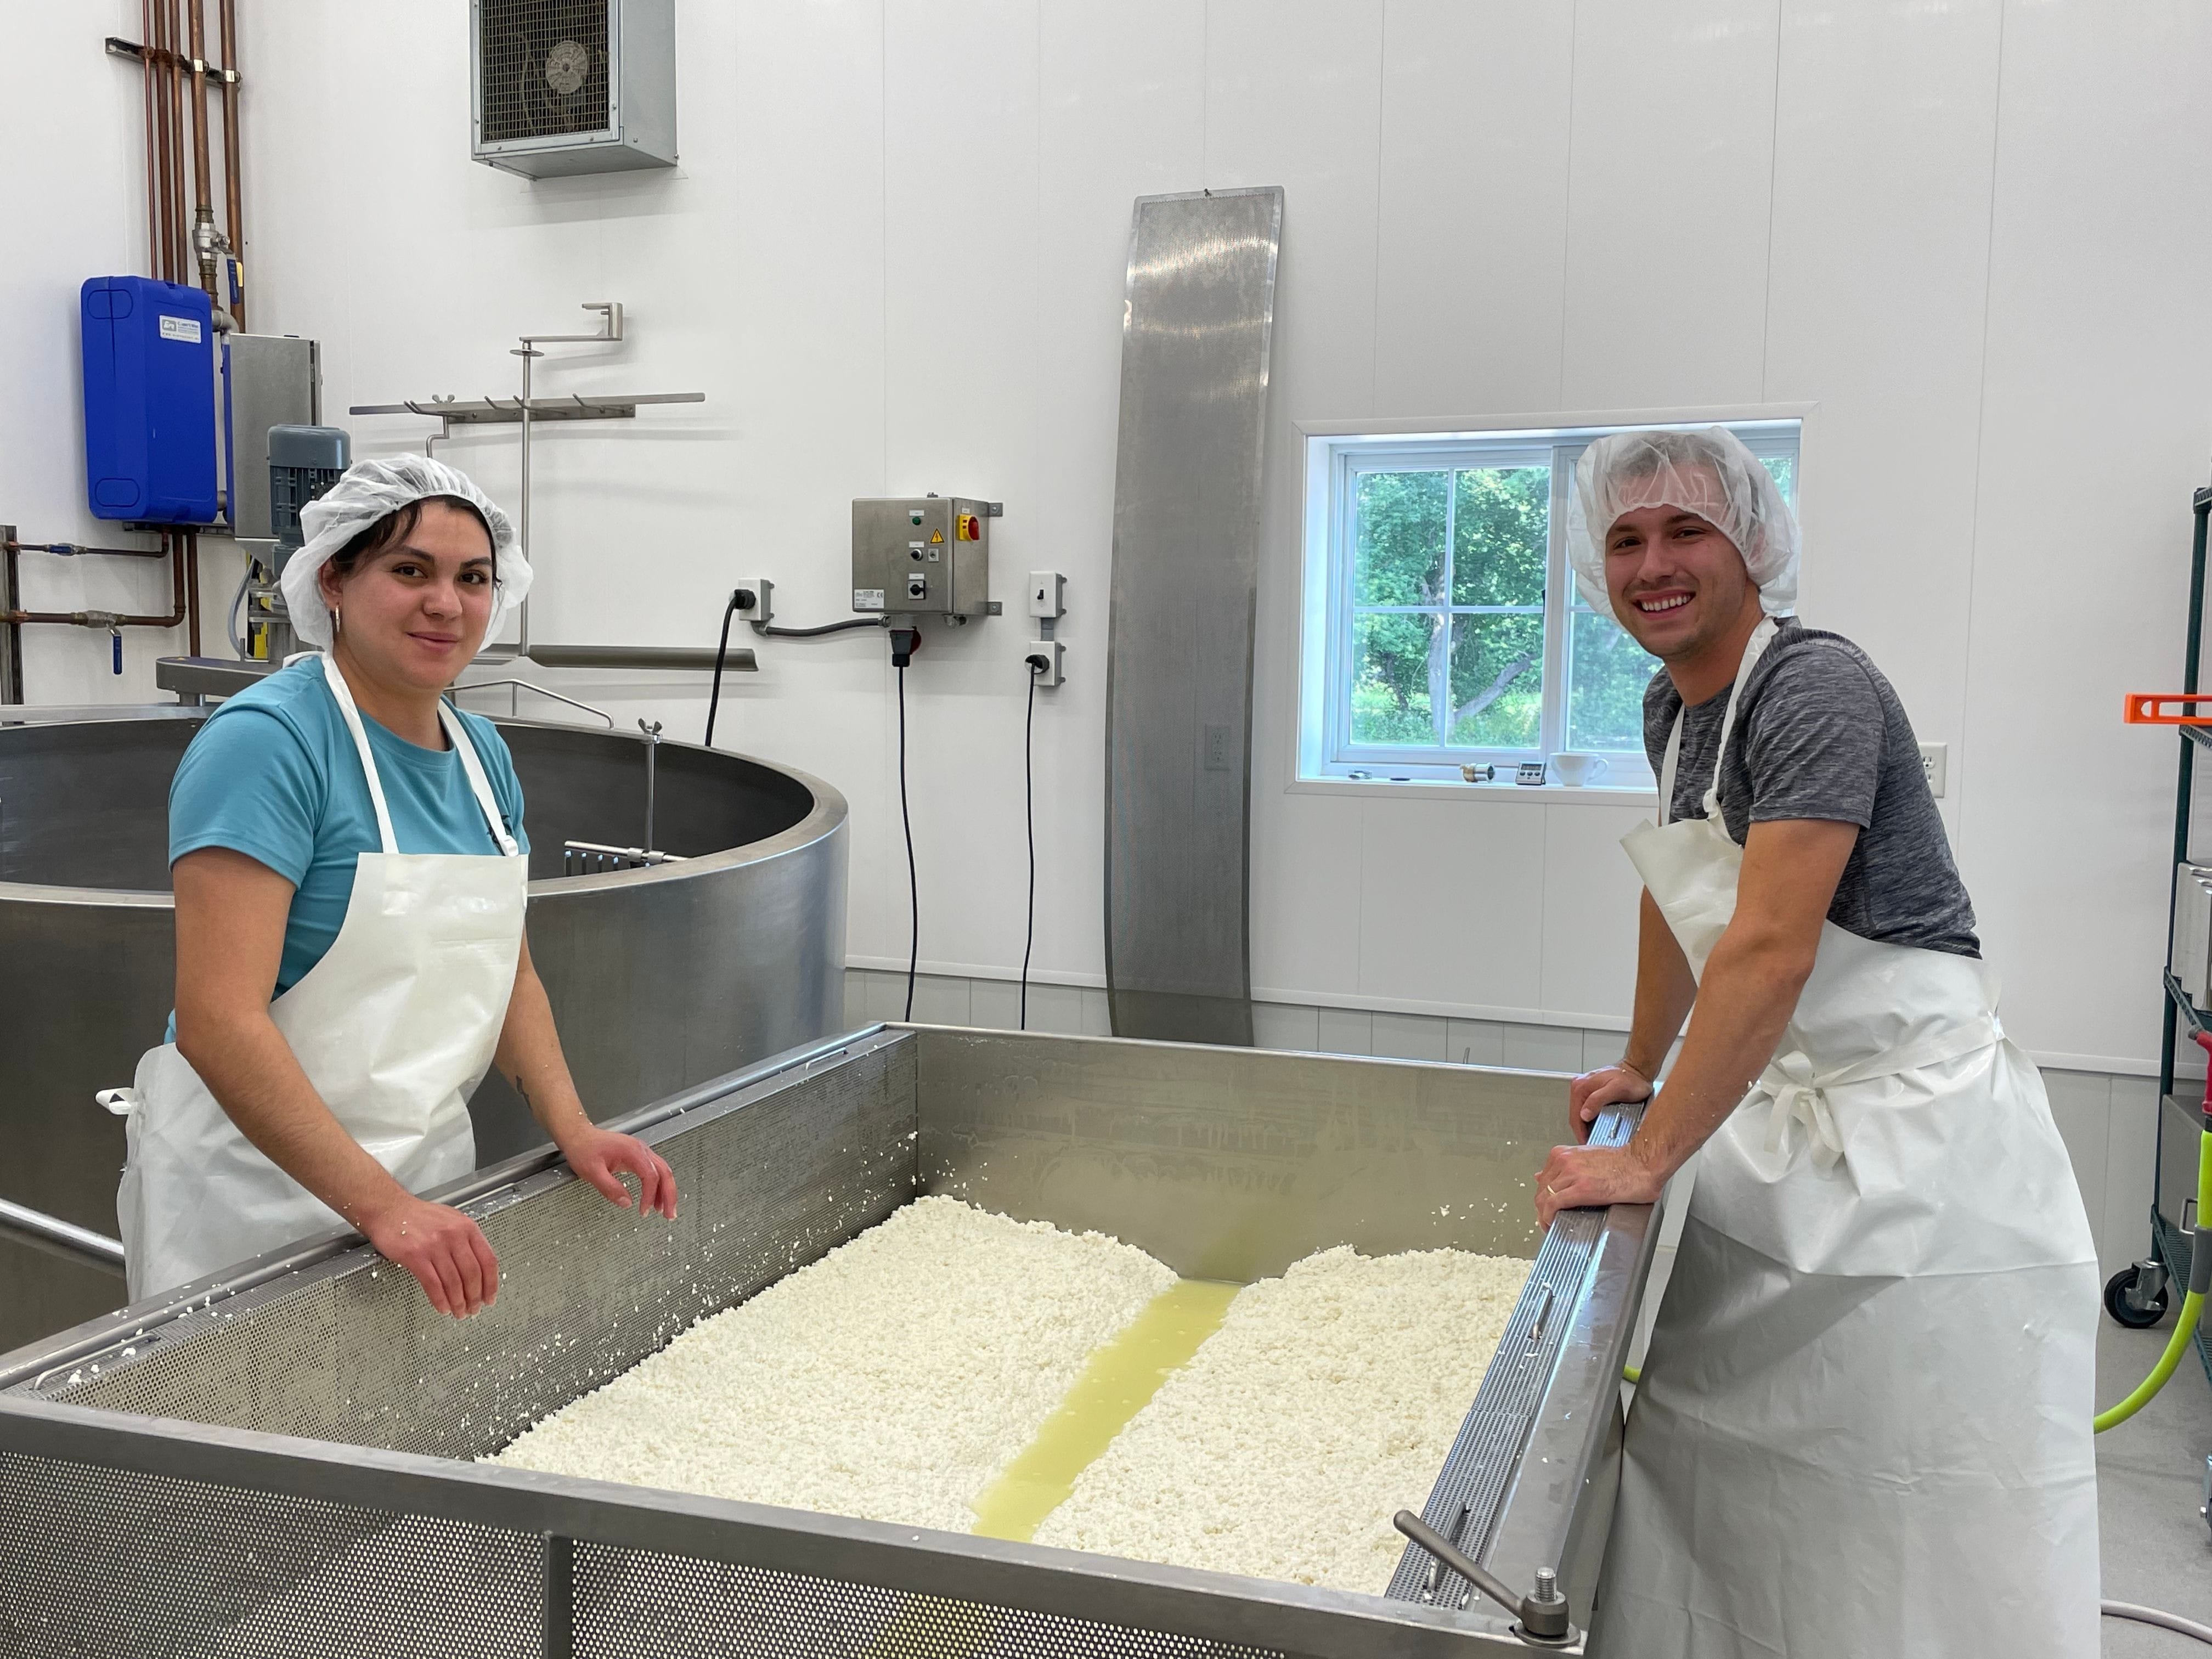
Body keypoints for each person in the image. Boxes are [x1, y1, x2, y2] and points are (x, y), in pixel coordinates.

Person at [1533, 429, 2098, 1656]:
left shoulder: (1812, 688)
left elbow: (1772, 948)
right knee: (1728, 1485)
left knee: (1906, 1507)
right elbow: (1680, 896)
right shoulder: (1673, 709)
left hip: (1920, 1158)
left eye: (1688, 532)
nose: (1652, 565)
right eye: (1625, 540)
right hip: (1789, 1135)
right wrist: (1641, 1062)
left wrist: (1649, 1155)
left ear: (1752, 545)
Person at [108, 456, 676, 1317]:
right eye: (410, 571)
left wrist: (575, 1126)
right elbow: (221, 1023)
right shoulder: (270, 743)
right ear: (333, 577)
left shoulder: (483, 757)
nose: (446, 603)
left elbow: (507, 976)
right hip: (247, 1205)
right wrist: (380, 1206)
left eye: (473, 578)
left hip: (420, 1196)